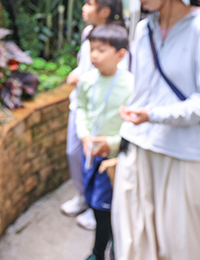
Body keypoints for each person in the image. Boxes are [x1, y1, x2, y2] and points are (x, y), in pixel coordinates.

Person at [105, 0, 200, 260]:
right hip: (138, 148)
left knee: (185, 248)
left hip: (185, 153)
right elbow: (141, 90)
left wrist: (153, 114)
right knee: (134, 245)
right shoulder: (143, 29)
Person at [61, 0, 127, 230]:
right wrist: (77, 73)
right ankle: (83, 196)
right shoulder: (88, 32)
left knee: (98, 158)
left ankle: (94, 205)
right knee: (74, 152)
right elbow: (85, 65)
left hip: (104, 108)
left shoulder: (118, 38)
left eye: (89, 4)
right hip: (81, 103)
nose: (84, 8)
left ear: (105, 10)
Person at [75, 24, 134, 260]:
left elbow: (134, 126)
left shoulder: (131, 85)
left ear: (121, 55)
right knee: (95, 204)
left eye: (101, 50)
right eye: (92, 50)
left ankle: (102, 252)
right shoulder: (87, 80)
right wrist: (85, 136)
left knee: (106, 209)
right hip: (91, 154)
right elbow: (81, 109)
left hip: (114, 160)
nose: (94, 56)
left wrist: (113, 142)